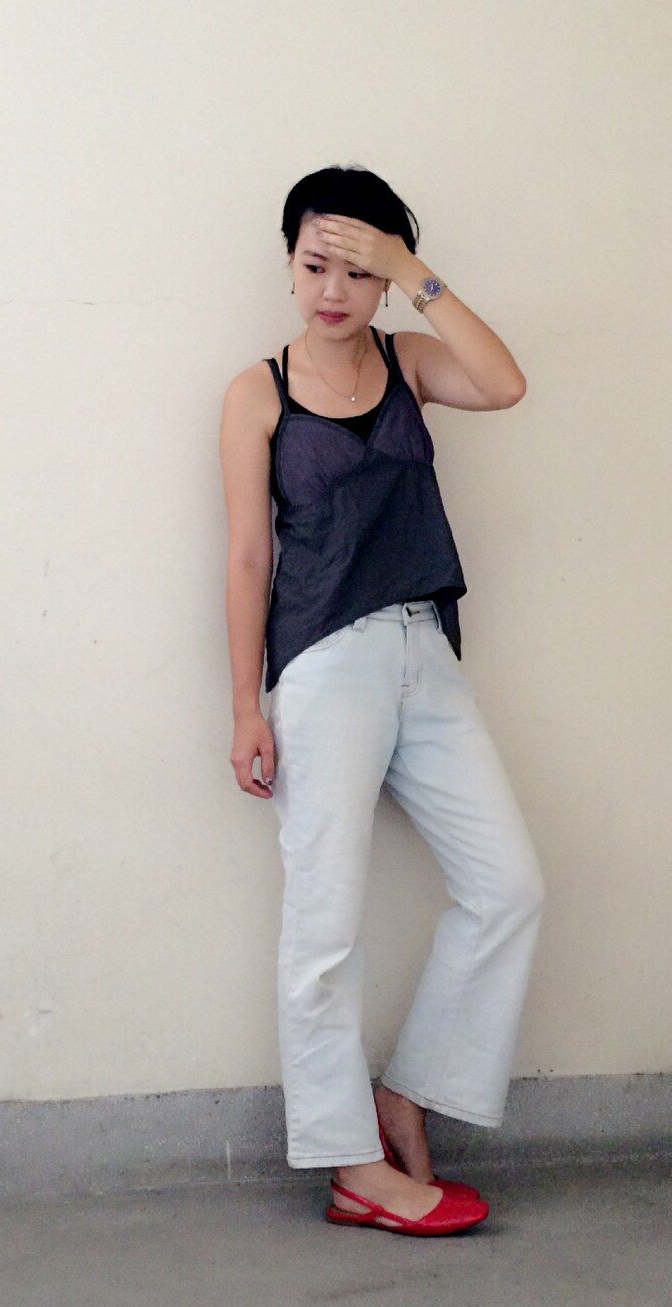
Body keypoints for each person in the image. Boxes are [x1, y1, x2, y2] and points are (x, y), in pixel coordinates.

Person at [219, 165, 545, 1236]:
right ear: (289, 263)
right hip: (322, 666)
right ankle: (352, 1164)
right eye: (317, 264)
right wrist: (246, 705)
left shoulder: (408, 362)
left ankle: (405, 1092)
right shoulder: (257, 391)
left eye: (359, 272)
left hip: (425, 652)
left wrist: (414, 272)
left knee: (508, 886)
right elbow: (247, 557)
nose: (334, 290)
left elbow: (504, 385)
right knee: (325, 923)